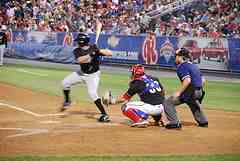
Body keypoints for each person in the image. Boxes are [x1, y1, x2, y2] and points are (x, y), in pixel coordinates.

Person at [60, 32, 112, 123]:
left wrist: (99, 51)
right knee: (65, 83)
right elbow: (81, 60)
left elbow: (110, 53)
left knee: (92, 93)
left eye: (78, 41)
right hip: (81, 74)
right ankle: (68, 101)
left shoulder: (94, 48)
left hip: (93, 75)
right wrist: (91, 54)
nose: (77, 43)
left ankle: (104, 114)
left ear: (81, 42)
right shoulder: (77, 51)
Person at [164, 48, 208, 129]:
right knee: (191, 101)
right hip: (200, 92)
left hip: (192, 92)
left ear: (181, 57)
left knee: (167, 102)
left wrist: (179, 93)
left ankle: (174, 123)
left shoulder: (182, 66)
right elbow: (203, 80)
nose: (175, 58)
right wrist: (197, 90)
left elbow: (187, 80)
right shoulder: (194, 65)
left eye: (176, 56)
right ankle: (203, 121)